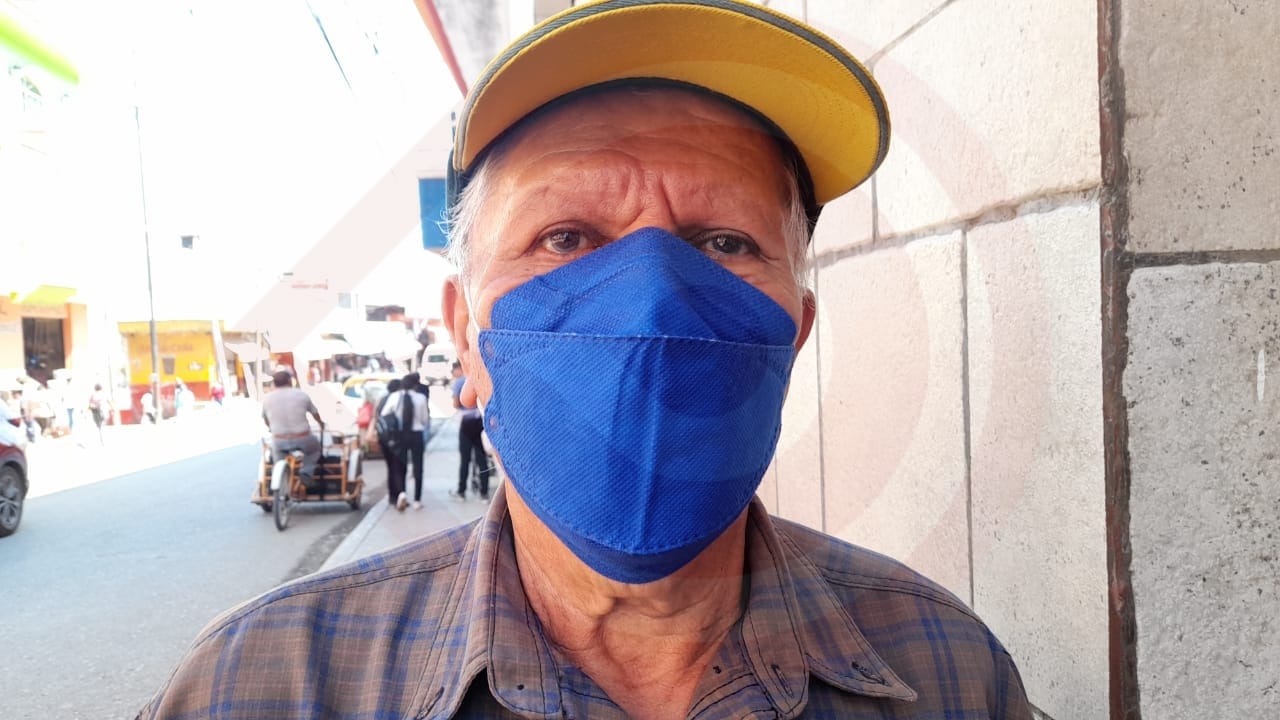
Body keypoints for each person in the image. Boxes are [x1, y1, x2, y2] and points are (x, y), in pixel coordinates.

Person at [139, 2, 1029, 718]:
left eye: (722, 241)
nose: (651, 303)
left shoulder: (954, 674)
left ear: (792, 333)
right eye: (566, 237)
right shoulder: (254, 689)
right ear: (466, 333)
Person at [260, 370, 324, 487]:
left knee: (278, 459)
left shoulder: (267, 399)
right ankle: (306, 472)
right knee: (314, 450)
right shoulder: (301, 395)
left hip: (279, 440)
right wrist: (321, 424)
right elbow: (315, 413)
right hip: (303, 438)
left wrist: (271, 428)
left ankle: (281, 482)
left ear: (274, 383)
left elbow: (266, 419)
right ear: (290, 381)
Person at [379, 372, 429, 511]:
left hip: (399, 435)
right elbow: (424, 419)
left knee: (400, 465)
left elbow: (384, 414)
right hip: (416, 435)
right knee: (418, 466)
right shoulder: (421, 398)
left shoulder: (395, 397)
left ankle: (402, 493)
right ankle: (417, 500)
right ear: (415, 385)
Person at [450, 360, 491, 501]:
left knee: (465, 459)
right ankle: (484, 493)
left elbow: (456, 403)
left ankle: (461, 491)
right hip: (480, 422)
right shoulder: (482, 377)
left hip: (466, 424)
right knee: (482, 459)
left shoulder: (460, 382)